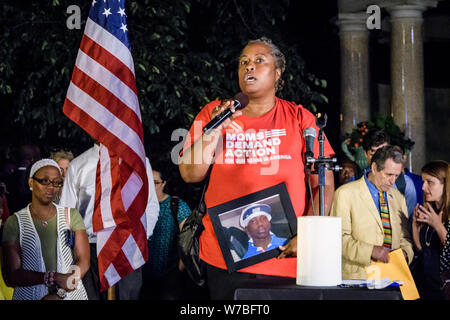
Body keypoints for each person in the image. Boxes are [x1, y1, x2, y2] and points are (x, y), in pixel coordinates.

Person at [179, 37, 335, 299]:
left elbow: (324, 183)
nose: (249, 67)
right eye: (244, 62)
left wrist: (309, 236)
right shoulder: (212, 113)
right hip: (225, 257)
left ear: (277, 73)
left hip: (285, 256)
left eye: (259, 61)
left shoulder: (300, 118)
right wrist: (214, 130)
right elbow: (190, 174)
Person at [59, 143, 160, 300]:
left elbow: (151, 204)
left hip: (128, 247)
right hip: (90, 249)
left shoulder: (138, 161)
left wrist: (140, 237)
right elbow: (66, 214)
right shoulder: (78, 164)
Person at [1, 159, 89, 300]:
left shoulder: (71, 215)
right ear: (31, 183)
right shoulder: (15, 222)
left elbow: (83, 260)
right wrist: (50, 277)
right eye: (44, 181)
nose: (51, 187)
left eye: (56, 182)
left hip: (71, 295)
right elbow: (13, 275)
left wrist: (60, 292)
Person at [330, 145, 413, 280]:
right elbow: (338, 239)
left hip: (394, 278)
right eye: (388, 175)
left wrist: (405, 253)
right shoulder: (345, 193)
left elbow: (405, 238)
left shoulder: (398, 197)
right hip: (358, 279)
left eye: (396, 176)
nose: (392, 181)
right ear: (374, 168)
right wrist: (370, 251)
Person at [141, 166, 192, 300]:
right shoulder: (139, 205)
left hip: (170, 273)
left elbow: (190, 235)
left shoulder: (176, 205)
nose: (151, 186)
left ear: (164, 183)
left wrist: (182, 265)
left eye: (155, 183)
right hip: (143, 272)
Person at [411, 160, 450, 300]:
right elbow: (422, 249)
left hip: (443, 290)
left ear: (445, 184)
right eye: (423, 181)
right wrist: (415, 226)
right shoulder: (430, 211)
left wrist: (438, 226)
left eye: (430, 182)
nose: (423, 187)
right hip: (425, 287)